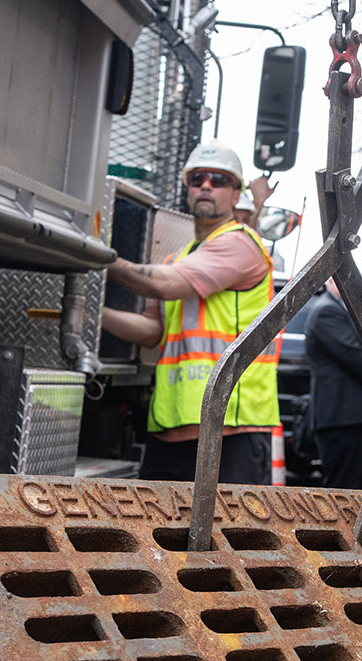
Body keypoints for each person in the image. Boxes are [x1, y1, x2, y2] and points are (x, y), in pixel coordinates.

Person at [101, 141, 279, 483]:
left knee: (223, 522)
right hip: (172, 428)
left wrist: (101, 258)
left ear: (236, 194)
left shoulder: (240, 244)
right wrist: (93, 315)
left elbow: (166, 285)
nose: (206, 185)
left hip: (230, 429)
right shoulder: (179, 259)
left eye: (219, 179)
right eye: (198, 179)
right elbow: (152, 331)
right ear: (188, 190)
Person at [305, 278, 362, 489]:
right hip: (342, 418)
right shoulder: (327, 311)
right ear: (329, 281)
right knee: (344, 488)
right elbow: (358, 358)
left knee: (357, 487)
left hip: (351, 417)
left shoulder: (338, 309)